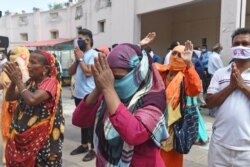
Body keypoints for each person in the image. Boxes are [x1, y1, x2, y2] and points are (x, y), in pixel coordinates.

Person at [72, 40, 168, 166]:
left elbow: (134, 134)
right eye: (109, 77)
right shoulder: (109, 92)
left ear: (138, 72)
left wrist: (108, 89)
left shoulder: (154, 98)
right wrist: (98, 89)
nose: (112, 82)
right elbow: (79, 120)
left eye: (117, 77)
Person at [3, 50, 64, 166]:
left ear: (45, 69)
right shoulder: (30, 83)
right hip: (23, 136)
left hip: (41, 140)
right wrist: (14, 82)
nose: (28, 65)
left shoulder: (51, 82)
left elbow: (32, 99)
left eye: (33, 62)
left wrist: (18, 81)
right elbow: (9, 96)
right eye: (29, 61)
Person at [206, 28, 250, 166]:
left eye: (245, 43)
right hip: (219, 145)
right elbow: (209, 102)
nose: (240, 46)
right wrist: (231, 86)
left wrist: (242, 85)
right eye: (236, 43)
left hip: (247, 150)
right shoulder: (220, 73)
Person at [155, 41, 202, 167]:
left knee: (170, 162)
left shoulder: (185, 76)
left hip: (174, 126)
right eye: (174, 53)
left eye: (180, 55)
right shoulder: (161, 71)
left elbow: (195, 89)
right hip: (155, 122)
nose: (175, 56)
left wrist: (188, 63)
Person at [68, 28, 98, 161]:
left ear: (88, 40)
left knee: (91, 123)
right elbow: (70, 72)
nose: (78, 41)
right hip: (78, 94)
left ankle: (93, 149)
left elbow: (88, 72)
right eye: (78, 38)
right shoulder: (79, 55)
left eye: (81, 39)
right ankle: (84, 145)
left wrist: (80, 59)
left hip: (90, 95)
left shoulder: (94, 55)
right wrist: (77, 59)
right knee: (82, 121)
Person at [0, 47, 30, 164]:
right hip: (7, 105)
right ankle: (6, 155)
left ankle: (20, 155)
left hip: (21, 106)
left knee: (21, 132)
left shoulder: (27, 72)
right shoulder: (6, 71)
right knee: (6, 132)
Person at [207, 43, 224, 117]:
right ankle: (213, 112)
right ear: (219, 49)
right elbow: (221, 67)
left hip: (211, 75)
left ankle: (211, 111)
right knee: (216, 94)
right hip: (216, 76)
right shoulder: (216, 57)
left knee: (211, 93)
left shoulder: (211, 55)